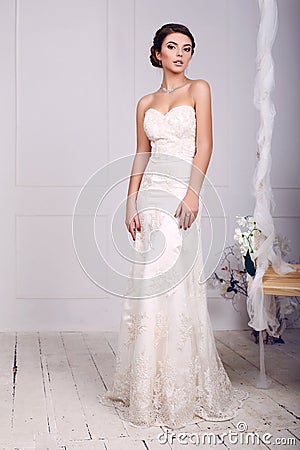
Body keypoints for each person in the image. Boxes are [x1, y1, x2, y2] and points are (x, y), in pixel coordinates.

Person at [97, 23, 248, 429]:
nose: (180, 54)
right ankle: (147, 383)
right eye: (172, 47)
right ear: (157, 53)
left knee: (178, 284)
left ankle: (182, 382)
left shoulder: (199, 89)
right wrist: (130, 203)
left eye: (187, 48)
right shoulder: (144, 102)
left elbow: (206, 144)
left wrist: (194, 192)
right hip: (149, 198)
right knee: (149, 283)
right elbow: (140, 154)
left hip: (181, 194)